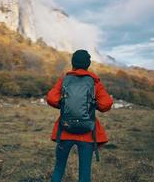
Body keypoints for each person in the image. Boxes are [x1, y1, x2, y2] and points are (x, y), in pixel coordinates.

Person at [46, 49, 113, 182]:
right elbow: (106, 104)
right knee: (84, 174)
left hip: (65, 130)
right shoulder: (94, 82)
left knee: (59, 168)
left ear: (73, 63)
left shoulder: (64, 80)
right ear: (88, 64)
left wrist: (63, 104)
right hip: (87, 133)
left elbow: (51, 98)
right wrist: (93, 104)